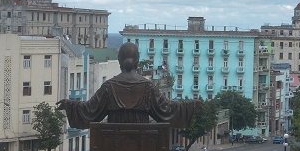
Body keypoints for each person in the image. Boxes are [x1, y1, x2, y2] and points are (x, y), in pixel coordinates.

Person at [57, 42, 201, 128]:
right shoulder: (148, 87)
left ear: (119, 60)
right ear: (137, 60)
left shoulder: (109, 86)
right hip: (142, 142)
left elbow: (89, 110)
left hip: (114, 142)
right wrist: (192, 105)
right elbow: (168, 110)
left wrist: (69, 105)